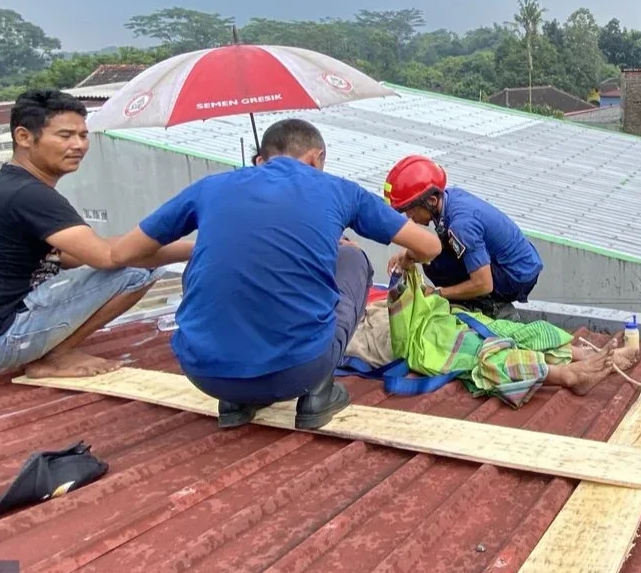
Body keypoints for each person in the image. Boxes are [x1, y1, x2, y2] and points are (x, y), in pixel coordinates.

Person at [115, 119, 445, 430]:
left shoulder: (210, 187)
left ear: (261, 160)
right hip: (296, 371)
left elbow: (124, 253)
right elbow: (430, 246)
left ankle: (237, 404)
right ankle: (319, 394)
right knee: (353, 257)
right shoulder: (339, 190)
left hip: (205, 374)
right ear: (317, 159)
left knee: (213, 270)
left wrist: (202, 247)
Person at [0, 90, 192, 378]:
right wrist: (200, 247)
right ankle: (56, 357)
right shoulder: (28, 194)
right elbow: (109, 257)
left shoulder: (11, 183)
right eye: (65, 135)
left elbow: (76, 256)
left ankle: (51, 351)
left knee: (127, 257)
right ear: (24, 137)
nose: (78, 145)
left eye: (83, 135)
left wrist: (187, 245)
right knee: (140, 270)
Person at [383, 155, 544, 320]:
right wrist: (409, 254)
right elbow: (442, 244)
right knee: (430, 256)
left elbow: (484, 283)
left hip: (517, 276)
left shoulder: (462, 226)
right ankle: (469, 297)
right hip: (519, 263)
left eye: (410, 209)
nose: (409, 216)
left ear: (431, 200)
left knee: (436, 264)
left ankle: (491, 308)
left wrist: (438, 293)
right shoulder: (449, 198)